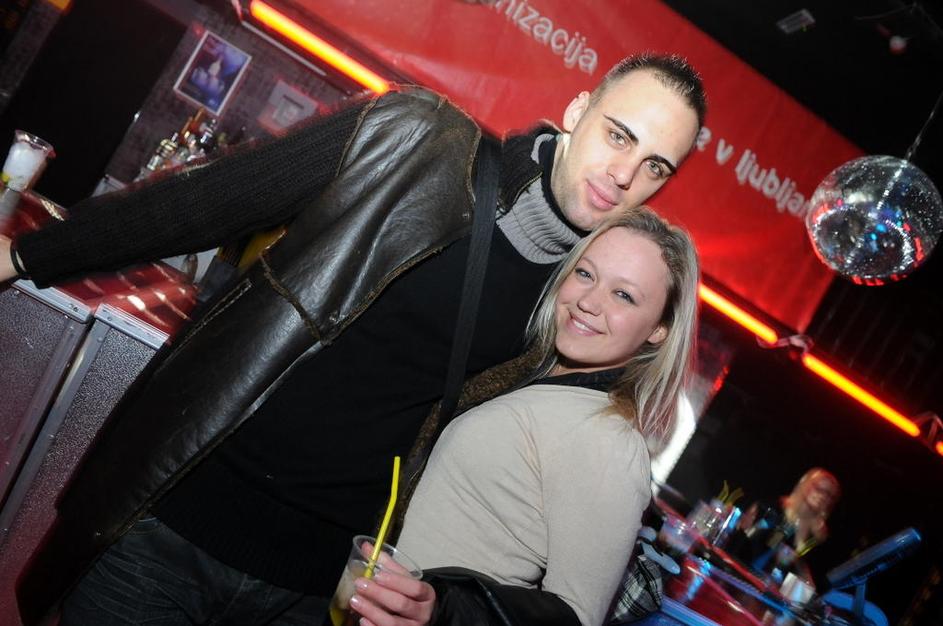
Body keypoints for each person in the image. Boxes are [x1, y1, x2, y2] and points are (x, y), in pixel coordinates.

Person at [0, 53, 705, 625]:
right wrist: (26, 255)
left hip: (309, 589)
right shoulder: (420, 142)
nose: (624, 174)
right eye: (619, 135)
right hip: (178, 526)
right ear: (578, 111)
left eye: (655, 166)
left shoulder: (572, 298)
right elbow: (210, 199)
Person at [346, 208, 700, 626]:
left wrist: (443, 610)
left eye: (623, 295)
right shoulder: (526, 373)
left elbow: (575, 618)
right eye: (585, 273)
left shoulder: (610, 441)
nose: (588, 302)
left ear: (659, 329)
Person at [726, 467, 842, 584]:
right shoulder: (771, 510)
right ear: (804, 484)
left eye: (830, 496)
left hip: (772, 592)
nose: (823, 497)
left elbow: (811, 584)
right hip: (737, 577)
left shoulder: (818, 537)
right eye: (819, 489)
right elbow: (742, 547)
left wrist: (797, 563)